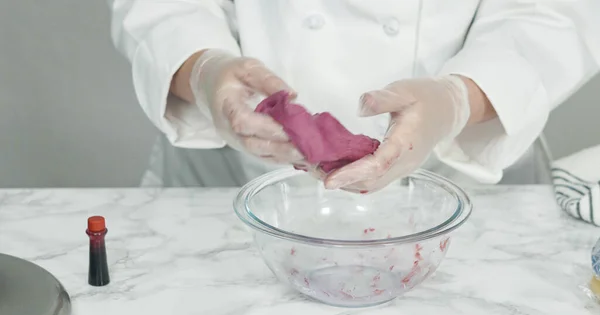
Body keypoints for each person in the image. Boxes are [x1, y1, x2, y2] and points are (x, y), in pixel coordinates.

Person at [107, 0, 599, 191]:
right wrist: (203, 72)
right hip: (230, 177)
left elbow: (553, 12)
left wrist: (456, 100)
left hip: (461, 174)